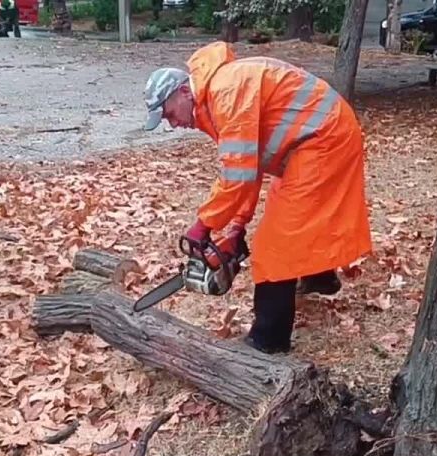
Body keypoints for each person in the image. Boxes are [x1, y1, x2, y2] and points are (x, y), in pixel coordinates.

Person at [142, 41, 372, 354]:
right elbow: (248, 168)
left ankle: (269, 338)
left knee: (275, 243)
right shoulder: (215, 96)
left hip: (323, 140)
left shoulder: (225, 93)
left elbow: (238, 176)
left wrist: (203, 225)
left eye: (170, 114)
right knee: (291, 218)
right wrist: (236, 228)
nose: (174, 124)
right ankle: (319, 278)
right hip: (312, 141)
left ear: (183, 92)